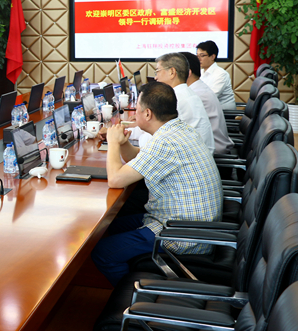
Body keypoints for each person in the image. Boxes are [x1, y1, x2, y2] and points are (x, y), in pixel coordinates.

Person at [91, 82, 223, 285]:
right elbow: (140, 159)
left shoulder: (165, 142)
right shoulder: (178, 130)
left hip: (180, 235)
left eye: (137, 109)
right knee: (110, 226)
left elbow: (115, 180)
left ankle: (134, 296)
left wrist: (113, 142)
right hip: (190, 224)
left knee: (103, 252)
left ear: (148, 113)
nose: (134, 114)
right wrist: (124, 143)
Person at [130, 53, 215, 155]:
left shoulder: (176, 99)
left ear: (172, 72)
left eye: (157, 71)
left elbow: (150, 142)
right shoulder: (186, 93)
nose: (155, 78)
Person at [181, 51, 235, 154]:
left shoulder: (194, 96)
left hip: (213, 150)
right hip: (211, 145)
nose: (156, 78)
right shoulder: (197, 88)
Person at [197, 40, 236, 110]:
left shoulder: (221, 74)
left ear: (212, 57)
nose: (198, 59)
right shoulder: (201, 72)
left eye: (202, 56)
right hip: (209, 109)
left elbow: (210, 97)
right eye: (197, 56)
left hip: (224, 112)